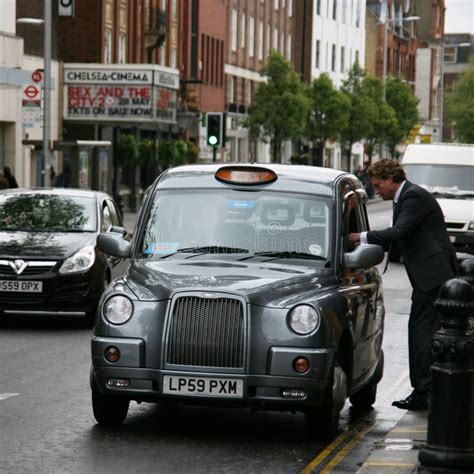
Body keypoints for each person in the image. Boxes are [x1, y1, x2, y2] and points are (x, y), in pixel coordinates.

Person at [349, 159, 458, 411]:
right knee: (423, 332)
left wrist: (360, 237)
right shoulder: (406, 196)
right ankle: (425, 389)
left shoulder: (412, 196)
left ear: (390, 179)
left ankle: (424, 393)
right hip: (429, 275)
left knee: (421, 333)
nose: (377, 191)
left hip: (433, 275)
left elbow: (399, 232)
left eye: (378, 185)